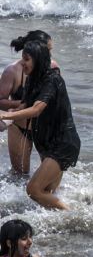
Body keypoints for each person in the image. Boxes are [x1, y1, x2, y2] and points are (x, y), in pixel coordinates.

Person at [9, 40, 79, 209]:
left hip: (62, 144)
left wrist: (4, 114)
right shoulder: (33, 79)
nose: (22, 63)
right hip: (47, 143)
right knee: (47, 194)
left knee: (33, 190)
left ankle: (74, 215)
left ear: (38, 60)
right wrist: (7, 119)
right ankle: (66, 225)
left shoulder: (53, 80)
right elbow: (23, 107)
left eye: (26, 59)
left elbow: (36, 109)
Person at [2, 29, 53, 175]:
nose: (50, 56)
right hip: (20, 128)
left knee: (48, 179)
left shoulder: (53, 69)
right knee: (19, 175)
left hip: (45, 129)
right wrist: (20, 104)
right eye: (48, 51)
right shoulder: (12, 71)